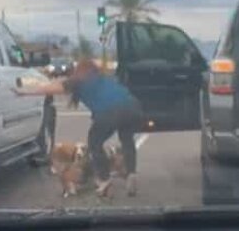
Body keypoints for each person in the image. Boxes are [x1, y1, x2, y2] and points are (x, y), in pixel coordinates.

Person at [13, 58, 143, 197]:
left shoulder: (77, 81)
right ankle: (131, 173)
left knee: (94, 143)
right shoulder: (103, 78)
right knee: (127, 140)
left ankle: (104, 179)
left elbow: (51, 88)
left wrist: (24, 92)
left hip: (110, 111)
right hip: (133, 106)